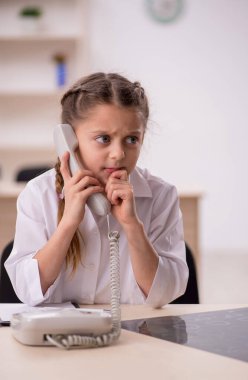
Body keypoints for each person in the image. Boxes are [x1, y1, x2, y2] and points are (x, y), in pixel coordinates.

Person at [5, 72, 188, 307]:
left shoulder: (162, 196)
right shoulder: (38, 194)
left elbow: (164, 295)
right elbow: (26, 290)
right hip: (58, 337)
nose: (118, 153)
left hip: (136, 335)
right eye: (103, 138)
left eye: (132, 139)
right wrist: (69, 223)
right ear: (69, 138)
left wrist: (132, 226)